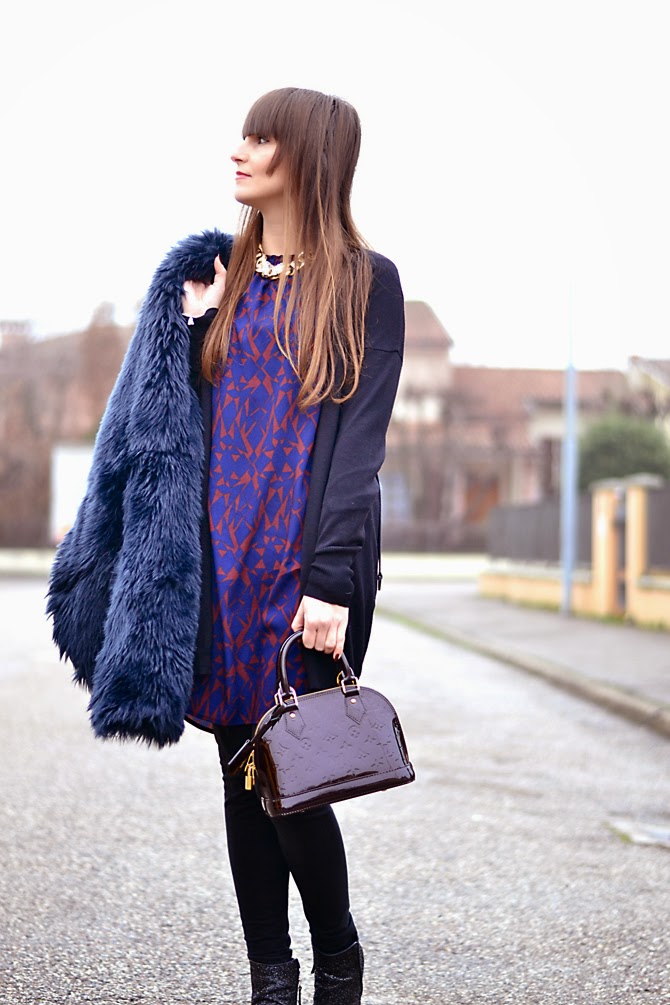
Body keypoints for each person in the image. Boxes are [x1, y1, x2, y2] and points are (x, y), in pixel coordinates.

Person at [46, 86, 405, 1005]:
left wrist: (331, 582)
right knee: (242, 774)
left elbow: (359, 448)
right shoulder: (218, 277)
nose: (239, 151)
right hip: (214, 561)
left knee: (297, 776)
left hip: (301, 570)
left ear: (308, 155)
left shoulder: (367, 282)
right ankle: (270, 981)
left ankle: (338, 961)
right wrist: (191, 322)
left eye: (261, 138)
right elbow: (159, 421)